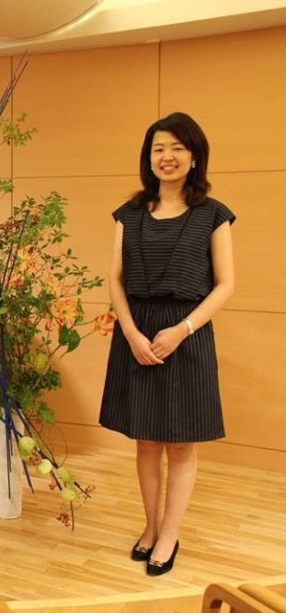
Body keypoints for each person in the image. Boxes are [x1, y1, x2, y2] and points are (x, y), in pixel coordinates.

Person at [99, 112, 235, 576]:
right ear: (148, 157)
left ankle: (170, 534)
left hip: (187, 335)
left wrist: (182, 329)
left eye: (177, 147)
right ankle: (151, 525)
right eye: (159, 148)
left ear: (194, 156)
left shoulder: (213, 215)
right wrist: (130, 333)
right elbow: (115, 280)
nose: (167, 156)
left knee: (180, 445)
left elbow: (226, 284)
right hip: (136, 334)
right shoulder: (130, 214)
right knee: (146, 440)